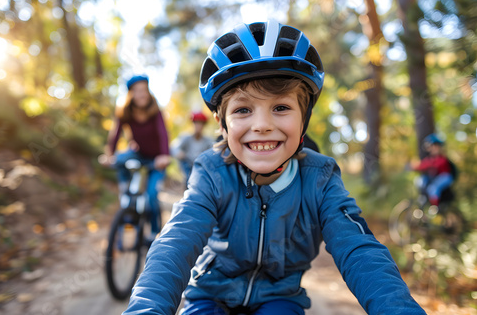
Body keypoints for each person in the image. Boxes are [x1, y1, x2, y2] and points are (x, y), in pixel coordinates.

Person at [123, 21, 425, 315]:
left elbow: (360, 250)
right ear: (221, 123)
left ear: (304, 117)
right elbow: (175, 244)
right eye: (243, 110)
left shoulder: (319, 178)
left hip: (280, 298)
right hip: (211, 293)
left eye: (281, 107)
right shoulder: (211, 172)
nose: (263, 125)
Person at [102, 75, 171, 238]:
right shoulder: (125, 112)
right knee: (119, 159)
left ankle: (154, 233)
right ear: (130, 94)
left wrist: (164, 155)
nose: (142, 94)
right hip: (138, 154)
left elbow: (163, 134)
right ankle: (126, 193)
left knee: (151, 196)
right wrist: (109, 155)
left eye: (144, 90)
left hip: (156, 160)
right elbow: (115, 134)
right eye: (137, 91)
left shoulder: (156, 111)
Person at [412, 133, 454, 209]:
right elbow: (421, 165)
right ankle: (423, 200)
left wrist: (426, 166)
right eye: (430, 147)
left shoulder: (442, 159)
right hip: (435, 177)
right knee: (421, 181)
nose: (432, 148)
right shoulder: (429, 158)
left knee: (433, 188)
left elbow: (435, 165)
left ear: (438, 146)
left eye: (434, 146)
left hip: (445, 177)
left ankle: (434, 208)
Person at [173, 111, 215, 184]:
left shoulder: (208, 141)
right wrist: (179, 153)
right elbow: (174, 148)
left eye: (201, 123)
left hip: (201, 167)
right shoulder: (185, 138)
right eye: (196, 123)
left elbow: (215, 151)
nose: (198, 126)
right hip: (187, 165)